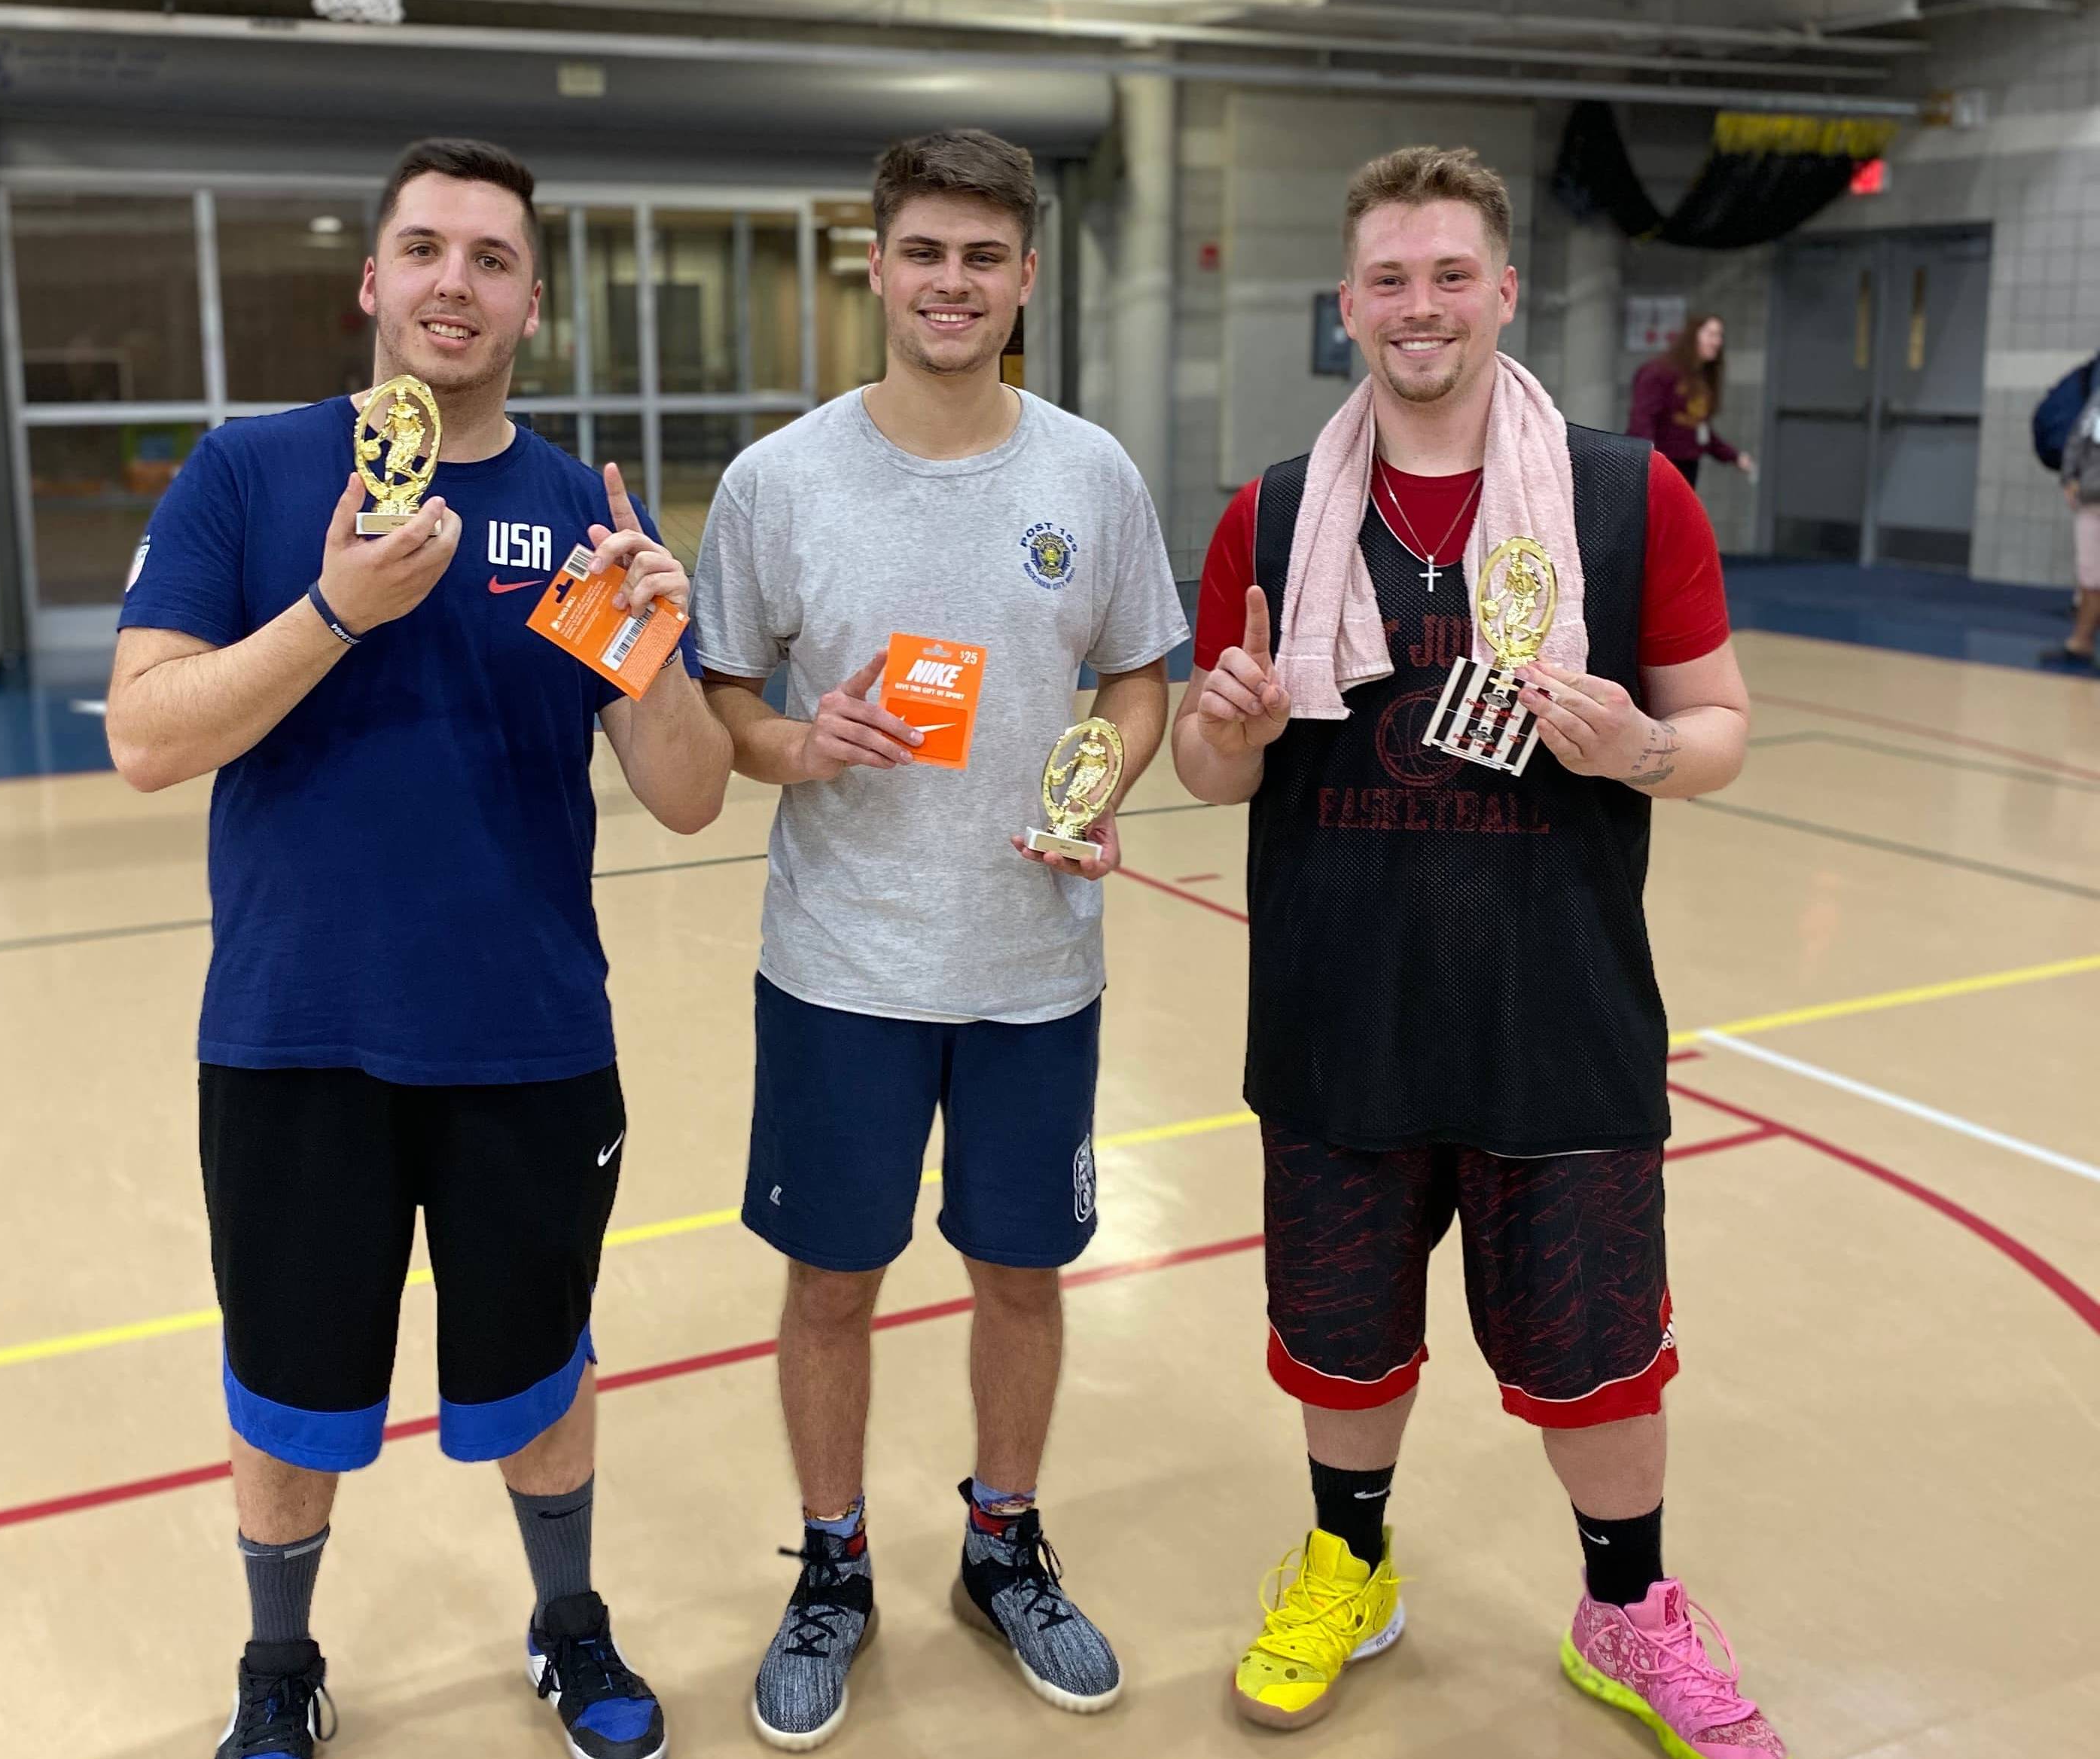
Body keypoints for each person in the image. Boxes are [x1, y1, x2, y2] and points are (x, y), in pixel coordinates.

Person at [106, 136, 731, 1759]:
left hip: (527, 1035)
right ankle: (279, 1661)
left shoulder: (575, 507)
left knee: (541, 1360)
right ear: (372, 282)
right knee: (291, 1379)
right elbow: (147, 737)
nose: (457, 281)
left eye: (494, 258)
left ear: (531, 303)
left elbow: (684, 796)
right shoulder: (250, 474)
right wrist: (331, 615)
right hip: (294, 1029)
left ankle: (569, 1624)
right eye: (427, 250)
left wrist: (653, 651)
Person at [1173, 145, 1784, 1759]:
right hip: (1339, 1011)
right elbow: (1212, 768)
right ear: (1349, 305)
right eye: (1388, 278)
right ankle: (1349, 1567)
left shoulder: (1623, 496)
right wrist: (1217, 723)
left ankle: (1628, 1613)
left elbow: (1720, 724)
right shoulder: (1278, 514)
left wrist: (1638, 750)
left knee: (1602, 1360)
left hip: (1559, 1008)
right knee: (1341, 1333)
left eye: (1451, 274)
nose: (1419, 305)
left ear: (1505, 292)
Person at [690, 127, 1188, 1751]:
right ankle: (832, 1569)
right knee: (833, 1282)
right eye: (925, 252)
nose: (952, 282)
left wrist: (1103, 770)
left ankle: (1002, 1545)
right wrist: (795, 744)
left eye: (985, 256)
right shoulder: (781, 482)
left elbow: (1137, 678)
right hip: (840, 966)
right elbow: (725, 709)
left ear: (1026, 277)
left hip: (1036, 966)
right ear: (878, 266)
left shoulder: (1091, 476)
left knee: (1021, 1272)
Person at [1628, 312, 1755, 491]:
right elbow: (1642, 421)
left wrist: (1735, 457)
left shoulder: (1701, 379)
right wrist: (1648, 462)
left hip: (1686, 467)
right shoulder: (1659, 372)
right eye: (1711, 334)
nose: (1717, 342)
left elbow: (1700, 431)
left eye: (1719, 336)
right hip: (1660, 466)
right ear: (1693, 335)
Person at [2047, 380, 2100, 671]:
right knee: (2090, 577)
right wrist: (2069, 478)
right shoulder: (2098, 403)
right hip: (2093, 500)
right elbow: (2078, 440)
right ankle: (2081, 642)